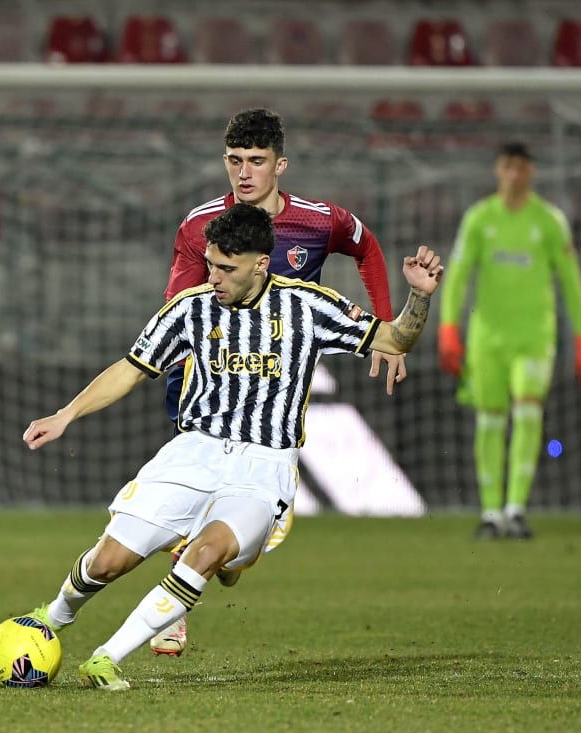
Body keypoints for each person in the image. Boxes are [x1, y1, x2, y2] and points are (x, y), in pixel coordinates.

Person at [21, 203, 442, 690]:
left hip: (262, 468)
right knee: (108, 562)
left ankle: (106, 657)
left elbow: (395, 338)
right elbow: (133, 366)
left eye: (226, 267)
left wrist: (419, 297)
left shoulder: (309, 307)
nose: (214, 276)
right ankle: (51, 620)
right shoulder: (192, 307)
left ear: (262, 263)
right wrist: (65, 414)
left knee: (205, 552)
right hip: (194, 451)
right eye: (211, 263)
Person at [151, 107, 404, 656]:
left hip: (276, 391)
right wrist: (174, 373)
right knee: (194, 496)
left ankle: (220, 558)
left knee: (234, 541)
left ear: (279, 164)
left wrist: (384, 328)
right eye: (235, 161)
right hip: (208, 381)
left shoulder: (318, 221)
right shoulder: (200, 226)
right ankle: (171, 614)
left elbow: (369, 248)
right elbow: (177, 304)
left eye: (257, 162)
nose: (245, 174)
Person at [437, 141, 581, 541]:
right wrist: (448, 328)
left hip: (533, 337)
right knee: (490, 419)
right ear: (499, 170)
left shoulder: (548, 221)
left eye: (522, 167)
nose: (515, 174)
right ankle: (492, 512)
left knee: (528, 410)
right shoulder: (479, 219)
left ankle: (516, 509)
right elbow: (457, 277)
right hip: (487, 338)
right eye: (509, 166)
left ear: (531, 172)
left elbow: (572, 282)